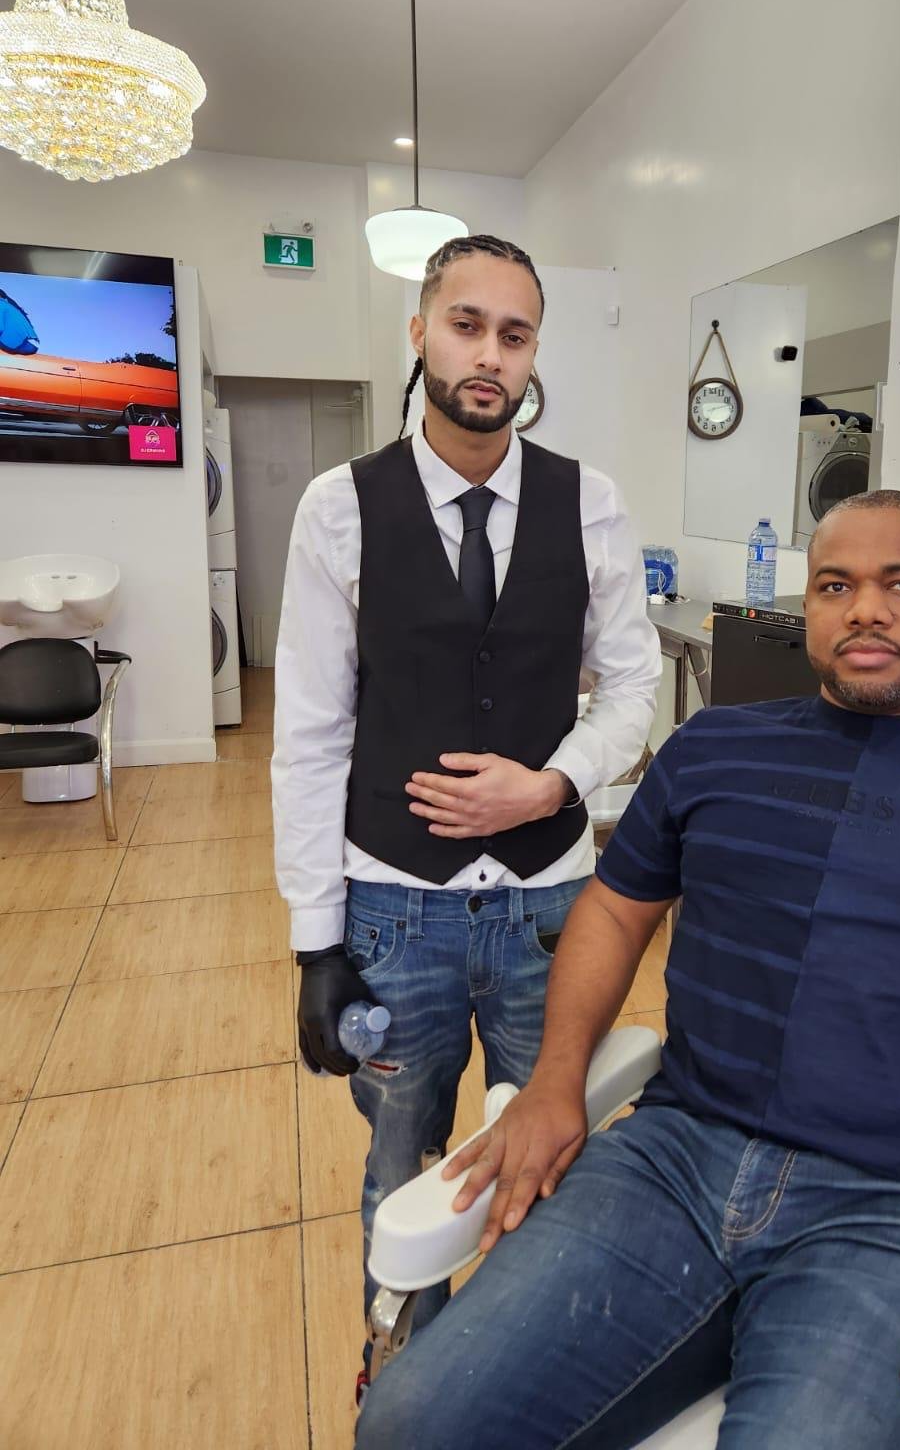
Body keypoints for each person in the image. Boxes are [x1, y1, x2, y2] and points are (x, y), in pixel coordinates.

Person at [356, 489, 900, 1450]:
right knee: (412, 1425)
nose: (866, 608)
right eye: (836, 584)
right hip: (675, 1158)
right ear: (807, 611)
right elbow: (612, 909)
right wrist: (555, 1082)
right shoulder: (717, 748)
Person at [271, 234, 661, 1394]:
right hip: (395, 907)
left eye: (515, 332)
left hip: (550, 906)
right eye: (466, 324)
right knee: (403, 1161)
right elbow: (307, 730)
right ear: (422, 332)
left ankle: (524, 1379)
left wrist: (555, 781)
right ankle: (405, 1377)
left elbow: (634, 685)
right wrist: (314, 941)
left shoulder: (590, 502)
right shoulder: (340, 508)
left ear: (535, 350)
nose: (488, 354)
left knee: (560, 1149)